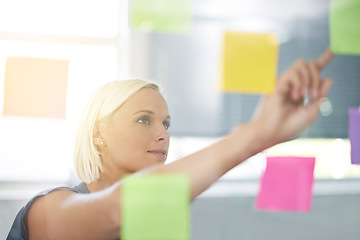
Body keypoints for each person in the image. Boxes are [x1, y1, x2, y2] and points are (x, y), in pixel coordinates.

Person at [7, 49, 334, 240]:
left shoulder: (157, 223)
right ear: (97, 134)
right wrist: (255, 135)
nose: (163, 133)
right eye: (143, 119)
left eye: (166, 123)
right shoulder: (47, 211)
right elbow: (119, 206)